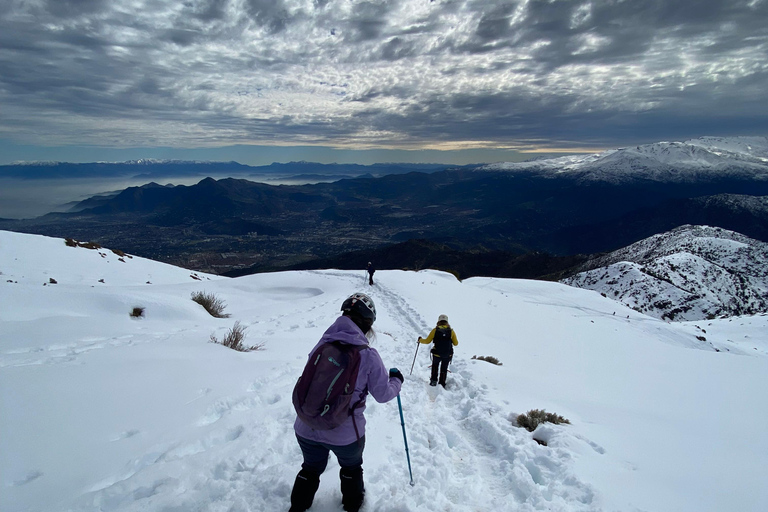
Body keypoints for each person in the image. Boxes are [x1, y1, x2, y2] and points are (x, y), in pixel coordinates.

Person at [290, 292, 403, 512]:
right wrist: (396, 381)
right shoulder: (368, 355)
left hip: (306, 425)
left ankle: (296, 509)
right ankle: (352, 507)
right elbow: (383, 395)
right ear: (368, 324)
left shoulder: (322, 344)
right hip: (345, 433)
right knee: (351, 468)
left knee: (310, 469)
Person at [418, 314, 458, 388]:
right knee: (444, 368)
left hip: (436, 353)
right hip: (447, 354)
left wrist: (420, 340)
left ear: (438, 321)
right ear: (447, 322)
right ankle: (442, 383)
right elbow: (456, 343)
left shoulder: (435, 330)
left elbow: (427, 341)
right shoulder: (451, 331)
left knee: (435, 366)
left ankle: (433, 381)